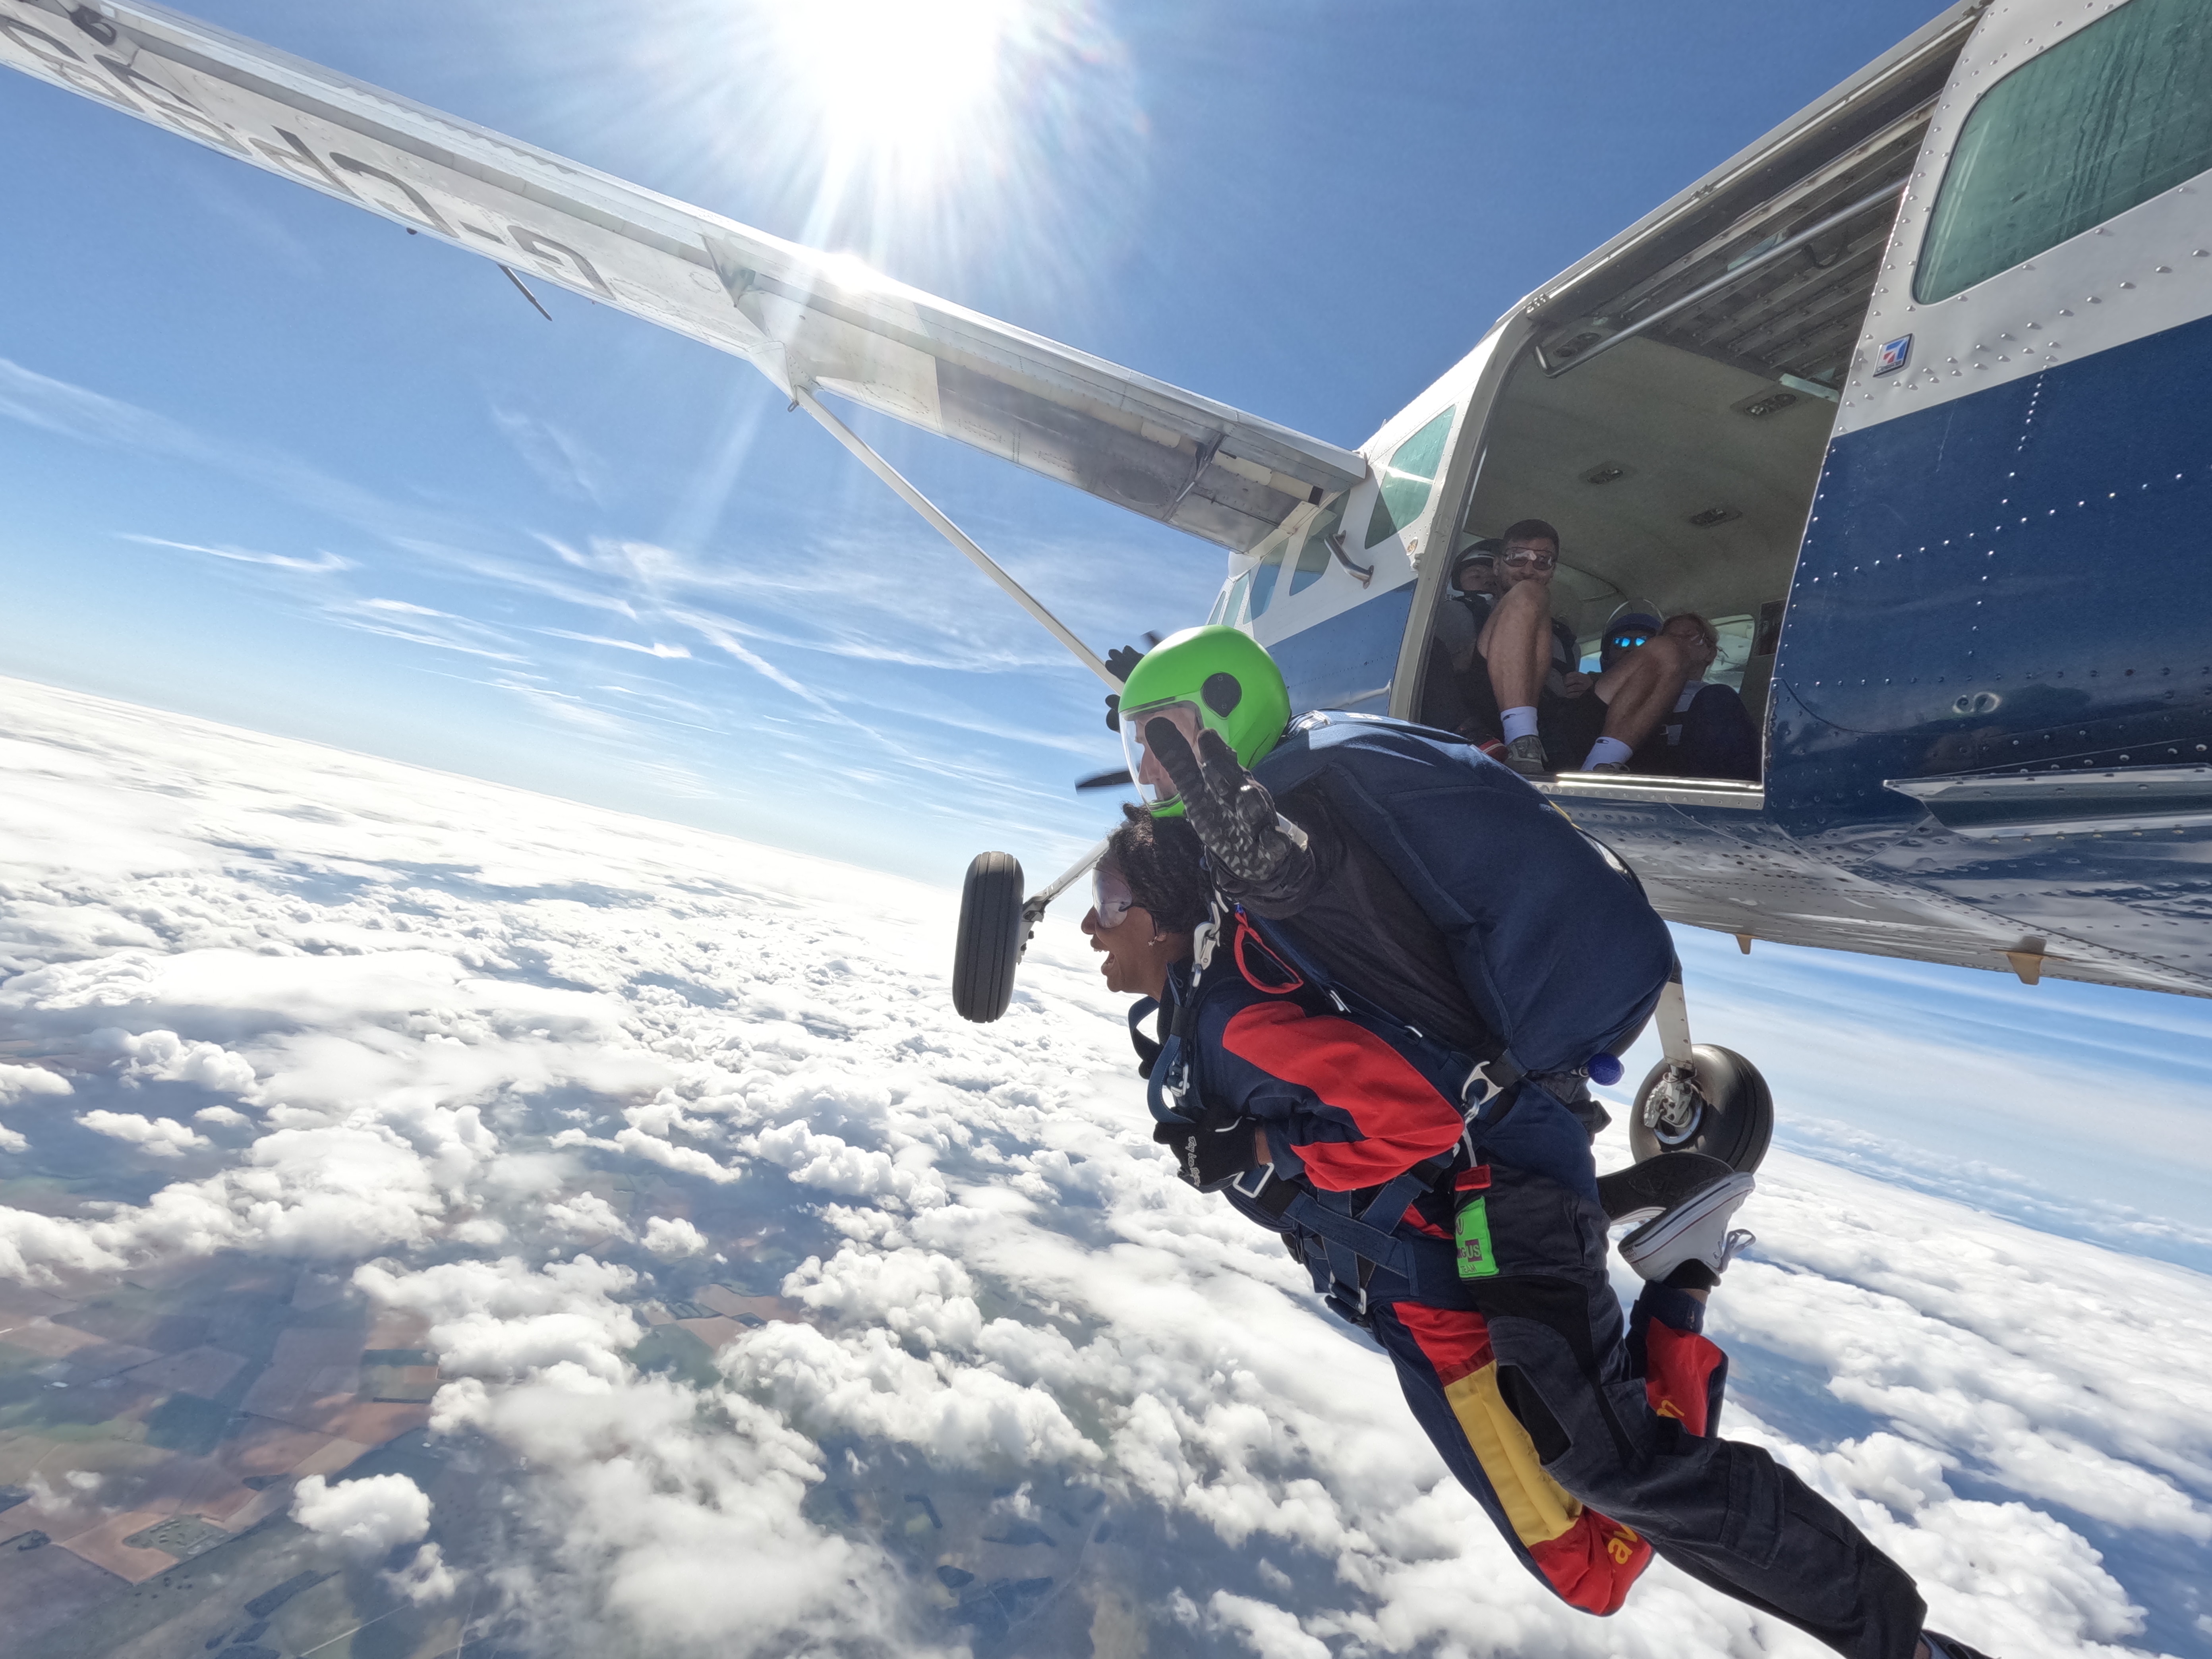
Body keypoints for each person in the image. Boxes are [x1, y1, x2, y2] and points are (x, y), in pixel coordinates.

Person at [1100, 624, 2000, 1659]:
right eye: (1138, 751)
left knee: (1607, 1493)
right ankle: (1676, 1254)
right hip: (1520, 1119)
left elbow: (1388, 1041)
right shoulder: (1349, 754)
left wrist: (1265, 1150)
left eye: (1162, 745)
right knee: (1592, 1496)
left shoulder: (1294, 832)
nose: (1150, 773)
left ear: (1218, 721)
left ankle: (1901, 1643)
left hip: (1506, 1156)